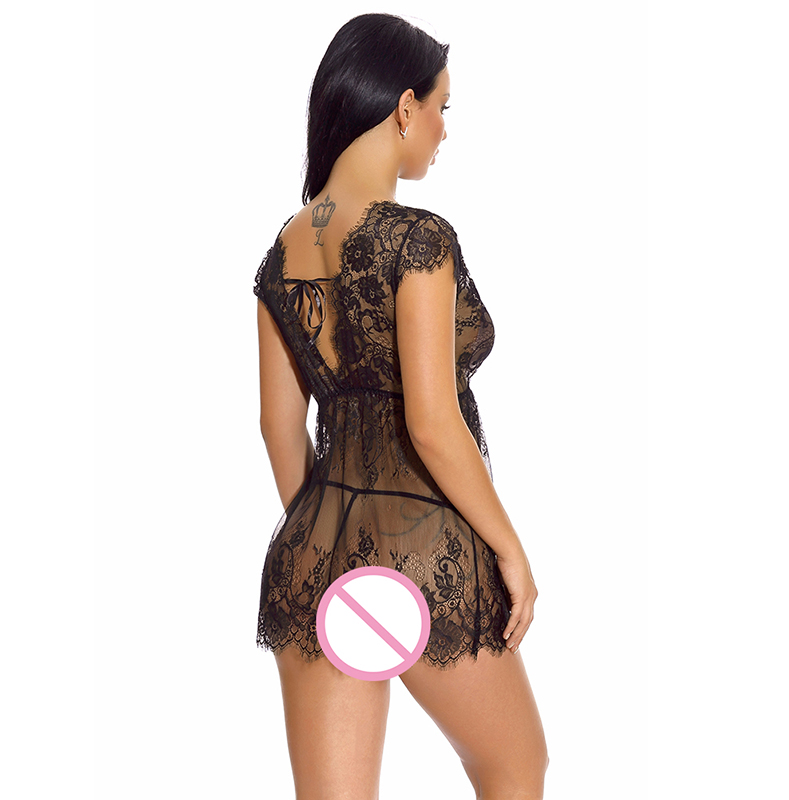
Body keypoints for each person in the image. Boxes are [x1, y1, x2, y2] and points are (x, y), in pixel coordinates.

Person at [253, 12, 549, 799]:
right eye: (443, 107)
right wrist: (510, 550)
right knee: (514, 768)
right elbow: (432, 422)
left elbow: (278, 427)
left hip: (312, 555)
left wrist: (333, 543)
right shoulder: (418, 239)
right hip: (426, 545)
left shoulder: (281, 251)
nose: (445, 129)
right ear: (404, 107)